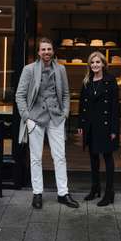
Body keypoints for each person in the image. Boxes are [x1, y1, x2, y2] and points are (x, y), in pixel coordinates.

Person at [15, 37, 79, 209]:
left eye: (49, 49)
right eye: (43, 49)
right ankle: (37, 193)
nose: (46, 52)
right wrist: (27, 117)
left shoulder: (61, 70)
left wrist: (65, 113)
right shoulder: (29, 70)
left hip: (56, 118)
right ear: (38, 52)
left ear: (53, 51)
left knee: (59, 157)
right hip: (35, 119)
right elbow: (19, 95)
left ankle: (63, 193)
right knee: (35, 158)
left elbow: (65, 94)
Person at [78, 51, 119, 206]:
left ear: (103, 64)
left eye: (98, 62)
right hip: (91, 125)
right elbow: (83, 105)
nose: (95, 65)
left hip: (106, 126)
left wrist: (114, 129)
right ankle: (95, 188)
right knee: (93, 158)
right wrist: (81, 125)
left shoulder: (110, 80)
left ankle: (109, 193)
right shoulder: (87, 81)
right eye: (92, 62)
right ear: (90, 65)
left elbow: (115, 107)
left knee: (108, 158)